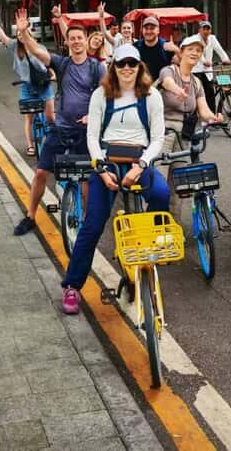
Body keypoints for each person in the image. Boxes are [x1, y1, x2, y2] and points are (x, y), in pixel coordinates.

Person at [60, 44, 168, 314]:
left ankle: (150, 247)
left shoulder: (152, 96)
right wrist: (100, 168)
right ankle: (72, 286)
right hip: (107, 161)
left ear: (140, 67)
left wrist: (142, 165)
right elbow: (92, 137)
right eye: (122, 64)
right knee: (93, 223)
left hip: (138, 161)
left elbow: (157, 139)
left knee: (161, 194)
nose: (128, 69)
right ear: (114, 67)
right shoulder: (101, 95)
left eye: (133, 64)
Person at [13, 7, 105, 236]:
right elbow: (36, 51)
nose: (76, 42)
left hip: (86, 131)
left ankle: (85, 221)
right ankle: (30, 216)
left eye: (79, 38)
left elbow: (107, 97)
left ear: (86, 41)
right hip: (61, 128)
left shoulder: (97, 68)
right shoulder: (61, 63)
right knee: (40, 173)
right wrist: (24, 33)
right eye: (71, 38)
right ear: (67, 41)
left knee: (86, 178)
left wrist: (94, 116)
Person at [158, 35, 223, 217]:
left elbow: (203, 111)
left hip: (185, 135)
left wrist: (214, 118)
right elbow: (166, 83)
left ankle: (174, 226)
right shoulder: (169, 71)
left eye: (199, 50)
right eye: (191, 49)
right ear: (182, 52)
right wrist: (178, 91)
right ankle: (157, 225)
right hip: (165, 131)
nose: (195, 53)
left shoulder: (196, 82)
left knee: (179, 185)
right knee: (160, 184)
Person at [0, 11, 56, 156]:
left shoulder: (40, 48)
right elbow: (3, 37)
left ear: (29, 33)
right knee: (29, 118)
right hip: (27, 87)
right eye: (19, 34)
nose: (21, 36)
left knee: (51, 117)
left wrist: (53, 76)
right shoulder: (15, 47)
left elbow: (49, 65)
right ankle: (30, 145)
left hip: (44, 85)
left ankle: (55, 140)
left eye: (23, 33)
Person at [190, 20, 231, 115]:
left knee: (210, 93)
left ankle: (212, 115)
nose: (206, 31)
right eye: (204, 29)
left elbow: (219, 49)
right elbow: (197, 52)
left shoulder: (212, 38)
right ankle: (196, 112)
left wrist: (226, 59)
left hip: (208, 70)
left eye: (208, 29)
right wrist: (204, 61)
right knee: (201, 92)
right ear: (199, 30)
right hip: (196, 70)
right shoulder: (195, 39)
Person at [134, 16, 180, 83]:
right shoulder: (135, 47)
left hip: (163, 88)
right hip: (141, 86)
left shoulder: (166, 46)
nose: (149, 31)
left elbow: (183, 63)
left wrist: (176, 50)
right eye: (146, 28)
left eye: (152, 28)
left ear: (158, 30)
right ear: (142, 30)